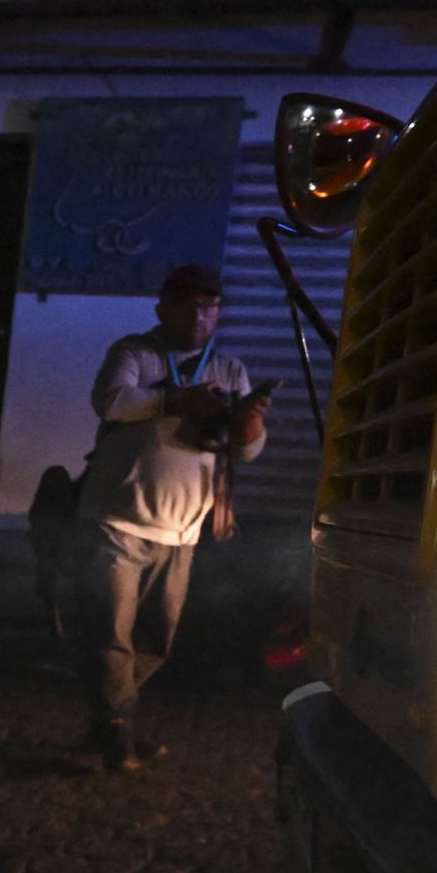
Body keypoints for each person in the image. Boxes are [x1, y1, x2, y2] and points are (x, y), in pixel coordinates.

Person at [70, 262, 268, 771]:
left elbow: (247, 453)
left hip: (183, 529)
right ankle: (117, 732)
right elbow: (111, 401)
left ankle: (108, 717)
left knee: (157, 638)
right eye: (190, 305)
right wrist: (179, 399)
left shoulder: (229, 369)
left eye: (212, 307)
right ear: (164, 309)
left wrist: (247, 425)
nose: (202, 316)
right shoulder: (136, 352)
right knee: (112, 633)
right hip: (118, 518)